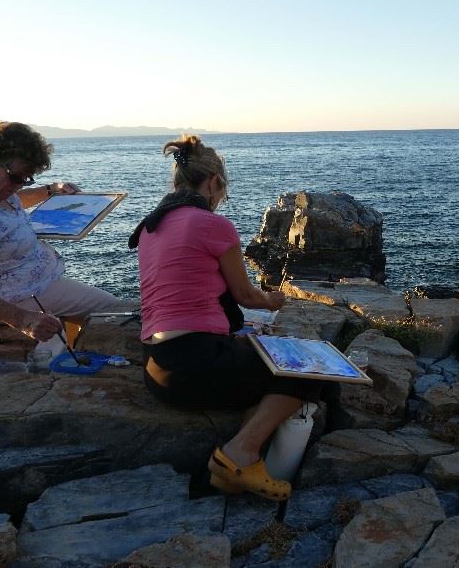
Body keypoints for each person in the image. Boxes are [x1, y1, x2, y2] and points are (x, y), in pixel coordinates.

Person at [129, 135, 321, 501]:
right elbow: (245, 296)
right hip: (194, 366)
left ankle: (238, 460)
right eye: (222, 190)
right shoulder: (211, 225)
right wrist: (272, 301)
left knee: (257, 367)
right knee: (306, 372)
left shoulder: (152, 225)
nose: (220, 199)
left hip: (157, 367)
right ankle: (238, 456)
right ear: (214, 182)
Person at [0, 121, 126, 343]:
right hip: (7, 295)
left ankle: (68, 346)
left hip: (22, 283)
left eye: (26, 179)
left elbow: (10, 200)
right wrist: (24, 320)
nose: (19, 185)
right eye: (16, 177)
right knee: (115, 311)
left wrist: (50, 190)